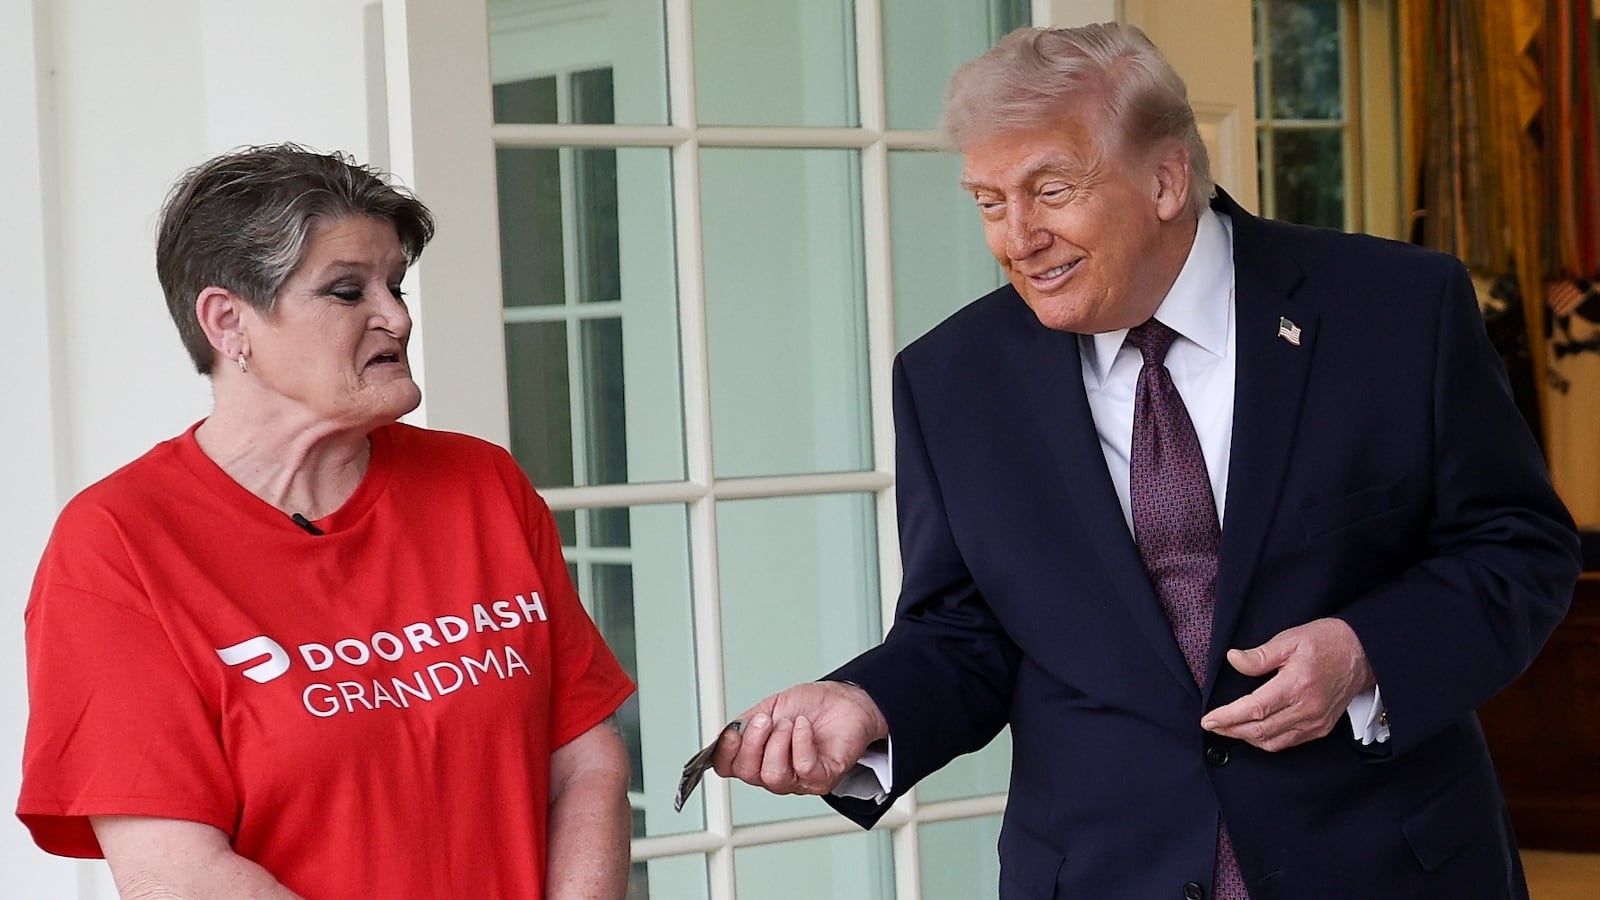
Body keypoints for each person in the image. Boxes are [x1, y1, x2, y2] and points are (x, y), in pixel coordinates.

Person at [711, 23, 1581, 900]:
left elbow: (1518, 546)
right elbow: (962, 631)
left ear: (1165, 179)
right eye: (987, 201)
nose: (1017, 237)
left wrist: (1365, 653)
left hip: (1389, 869)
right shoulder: (951, 380)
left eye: (1049, 190)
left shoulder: (1396, 308)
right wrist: (865, 706)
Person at [16, 144, 636, 899]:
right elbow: (177, 873)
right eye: (348, 291)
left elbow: (584, 758)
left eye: (396, 285)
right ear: (228, 321)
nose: (397, 317)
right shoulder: (119, 544)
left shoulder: (483, 486)